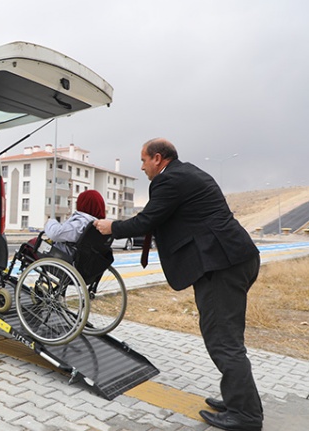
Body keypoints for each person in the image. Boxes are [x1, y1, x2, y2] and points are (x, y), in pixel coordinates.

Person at [94, 138, 262, 431]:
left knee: (224, 341)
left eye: (144, 161)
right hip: (232, 259)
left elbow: (147, 220)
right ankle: (237, 398)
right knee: (226, 336)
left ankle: (245, 415)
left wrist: (112, 227)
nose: (143, 167)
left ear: (158, 158)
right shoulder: (187, 173)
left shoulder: (169, 180)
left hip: (221, 264)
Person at [44, 189, 106, 255]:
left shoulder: (82, 223)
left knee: (33, 243)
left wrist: (50, 221)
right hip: (84, 260)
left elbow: (55, 233)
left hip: (61, 256)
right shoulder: (100, 226)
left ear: (84, 204)